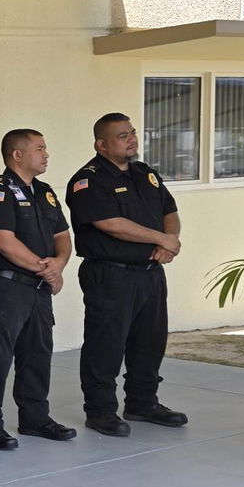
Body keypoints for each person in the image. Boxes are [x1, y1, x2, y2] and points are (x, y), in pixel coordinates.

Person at [67, 113, 188, 436]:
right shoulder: (88, 180)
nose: (132, 139)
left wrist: (170, 240)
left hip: (149, 272)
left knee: (149, 341)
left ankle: (142, 402)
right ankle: (101, 411)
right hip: (111, 274)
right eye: (122, 136)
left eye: (132, 133)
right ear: (101, 144)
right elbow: (109, 223)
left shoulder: (144, 173)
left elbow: (169, 211)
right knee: (106, 345)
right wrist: (162, 239)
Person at [0, 129, 77, 449]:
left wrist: (58, 265)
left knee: (38, 355)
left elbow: (63, 236)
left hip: (39, 289)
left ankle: (35, 418)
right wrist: (47, 269)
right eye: (39, 149)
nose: (46, 154)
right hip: (7, 289)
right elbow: (3, 241)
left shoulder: (44, 192)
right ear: (17, 155)